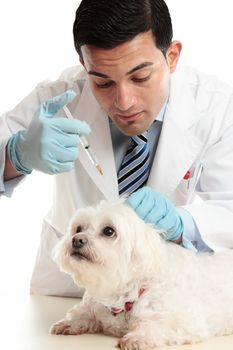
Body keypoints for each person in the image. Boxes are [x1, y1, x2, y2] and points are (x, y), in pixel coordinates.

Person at [1, 0, 233, 297]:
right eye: (103, 82)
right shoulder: (60, 99)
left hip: (161, 294)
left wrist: (182, 223)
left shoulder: (215, 106)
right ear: (85, 66)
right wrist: (16, 156)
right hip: (68, 290)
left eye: (140, 77)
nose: (124, 102)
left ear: (172, 56)